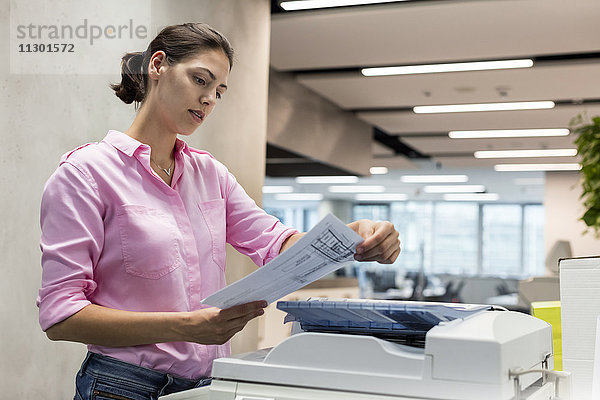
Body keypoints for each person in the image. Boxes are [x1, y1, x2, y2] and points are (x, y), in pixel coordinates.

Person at [37, 22, 401, 400]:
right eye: (200, 80)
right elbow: (61, 316)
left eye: (219, 92)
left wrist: (353, 235)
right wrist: (185, 327)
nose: (209, 99)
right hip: (122, 386)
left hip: (208, 386)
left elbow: (277, 244)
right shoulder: (86, 174)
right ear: (158, 65)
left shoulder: (210, 174)